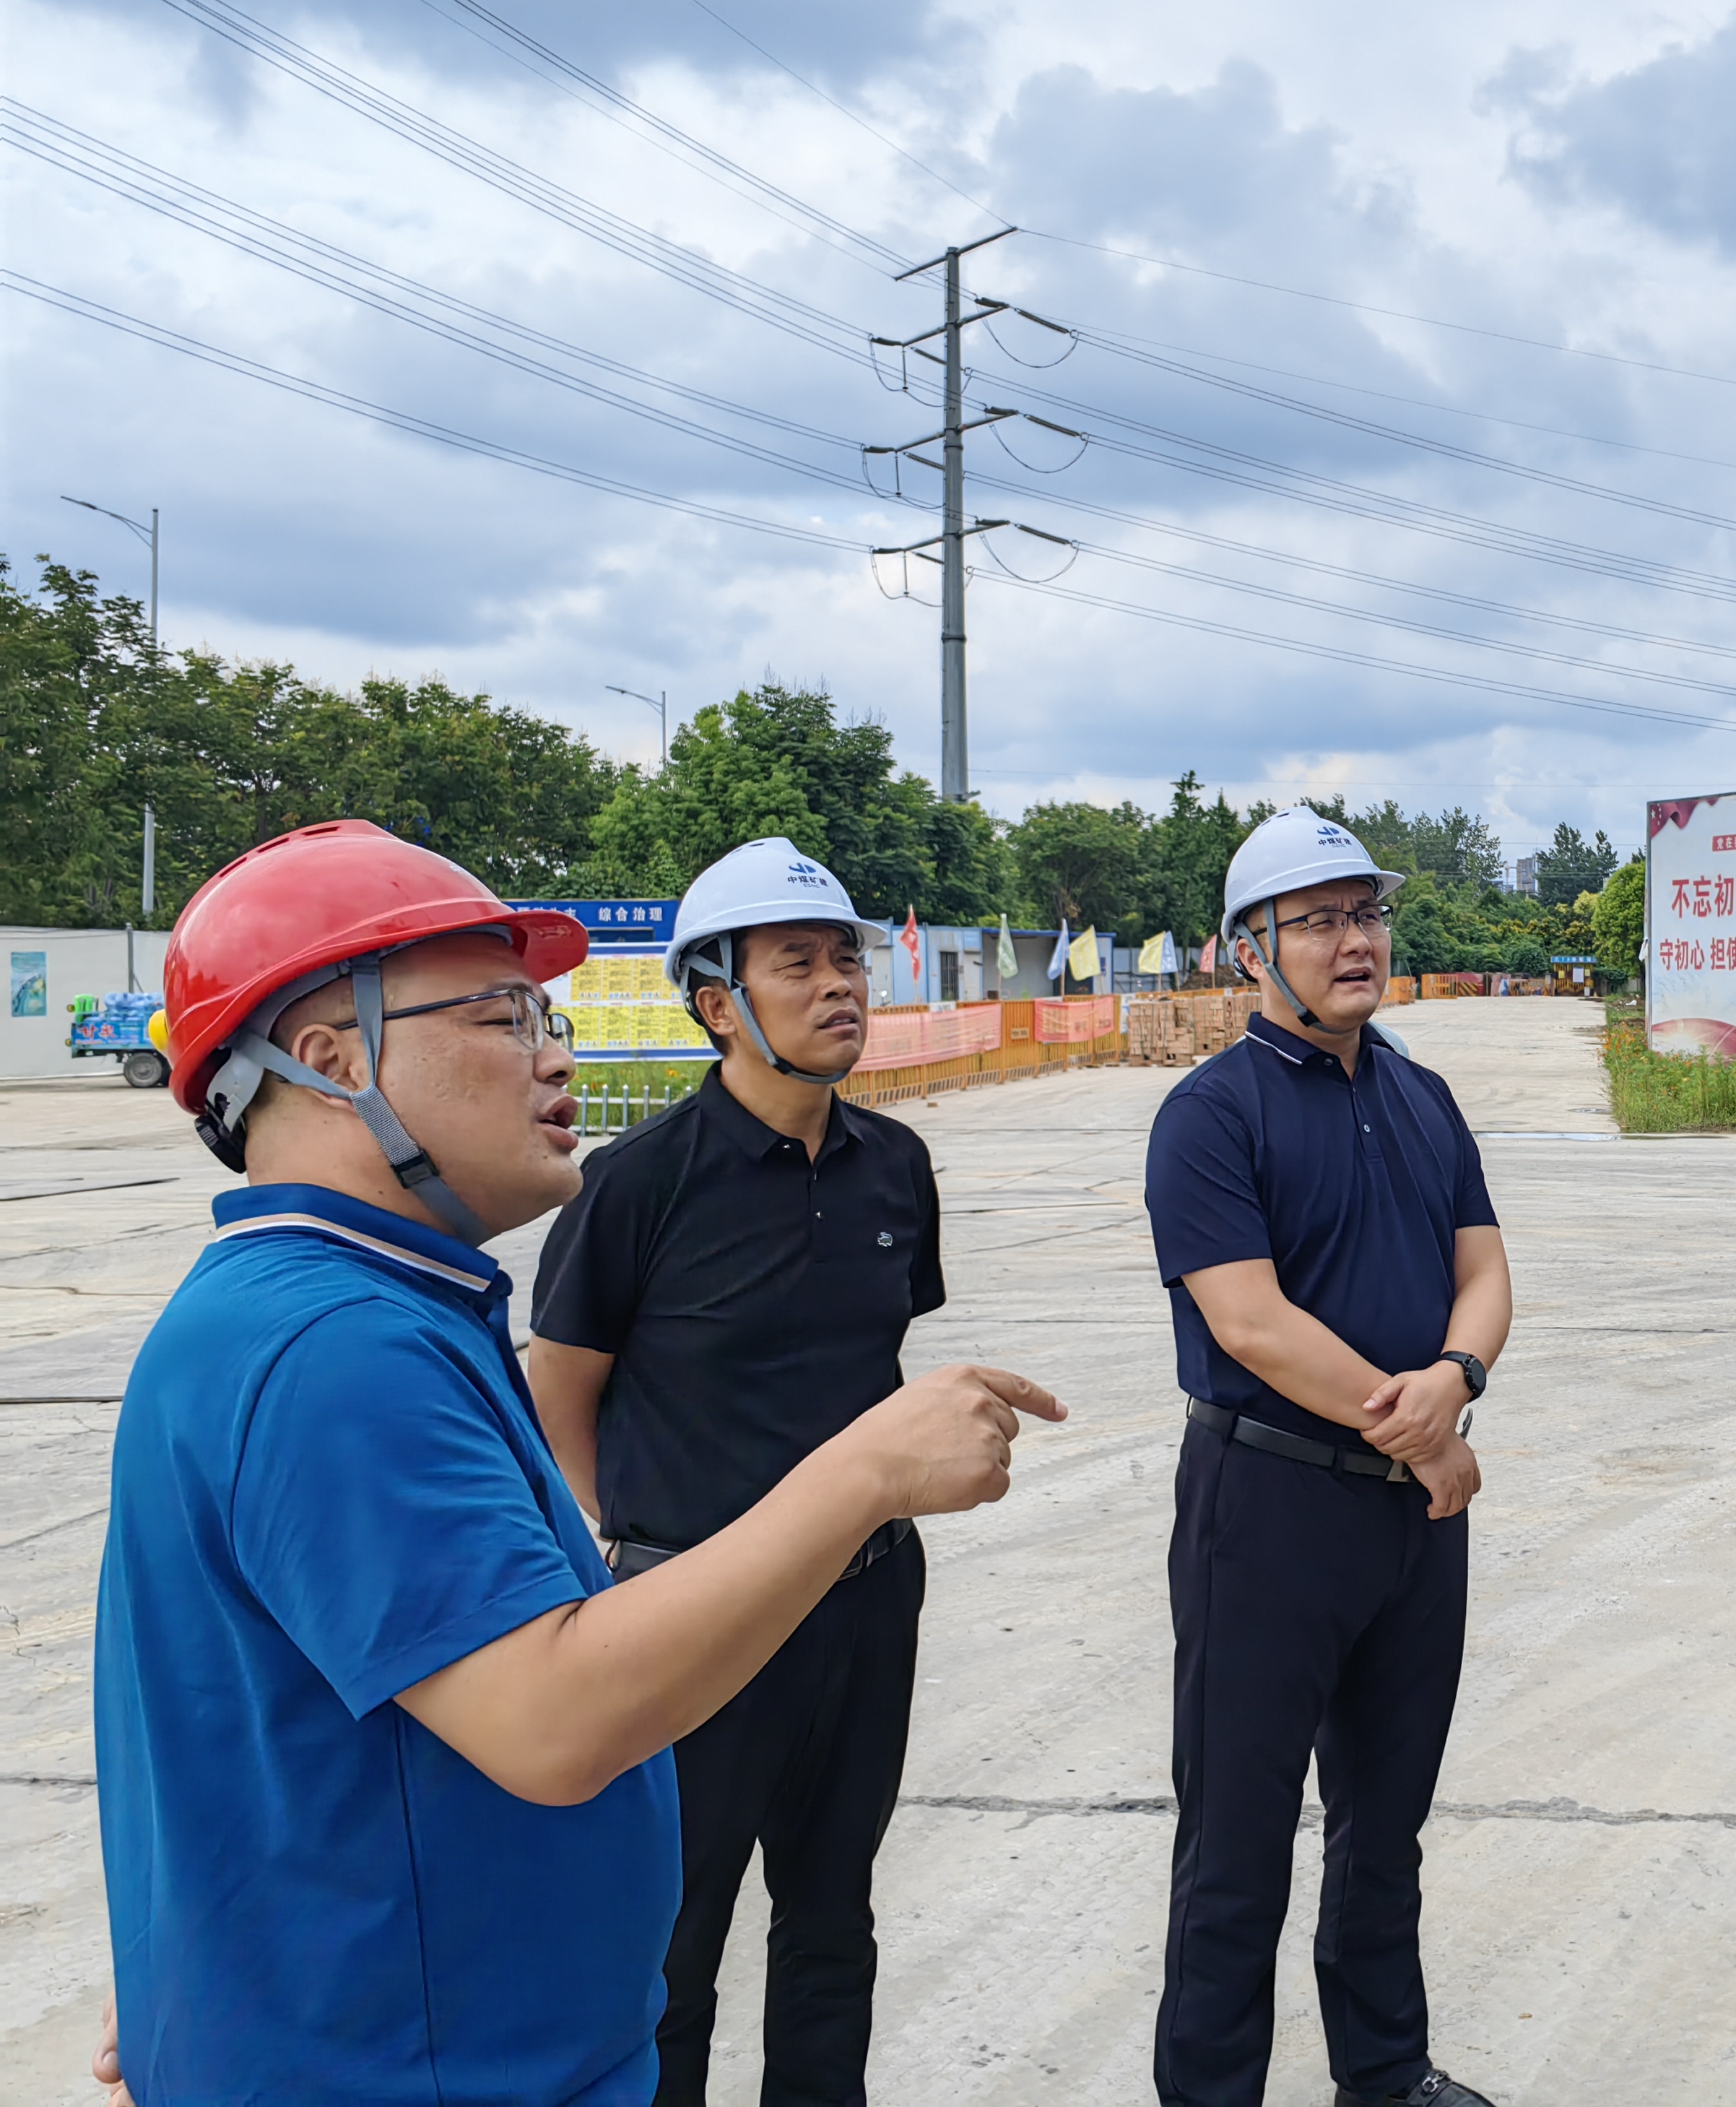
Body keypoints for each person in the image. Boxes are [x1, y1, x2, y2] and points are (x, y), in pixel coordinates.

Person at [92, 819, 1043, 2107]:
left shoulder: (361, 1307)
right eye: (502, 1019)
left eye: (548, 1016)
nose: (557, 1054)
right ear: (331, 1061)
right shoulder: (337, 1349)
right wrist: (867, 1472)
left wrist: (201, 1952)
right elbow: (552, 1721)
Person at [526, 836, 1054, 2106]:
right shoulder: (636, 1184)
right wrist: (649, 1551)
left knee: (832, 1915)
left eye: (846, 962)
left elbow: (870, 1359)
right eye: (798, 964)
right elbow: (558, 1400)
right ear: (719, 1003)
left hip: (865, 1604)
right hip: (694, 1620)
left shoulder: (896, 1166)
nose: (838, 987)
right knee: (677, 1939)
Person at [1142, 807, 1511, 2107]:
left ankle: (1386, 2075)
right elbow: (1249, 1321)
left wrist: (1456, 1381)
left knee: (1386, 1825)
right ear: (1251, 949)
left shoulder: (1422, 1096)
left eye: (1366, 915)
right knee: (1236, 1847)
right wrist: (1421, 1437)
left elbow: (1484, 1272)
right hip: (1267, 1509)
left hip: (1410, 1525)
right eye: (1318, 922)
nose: (1355, 942)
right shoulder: (1210, 1115)